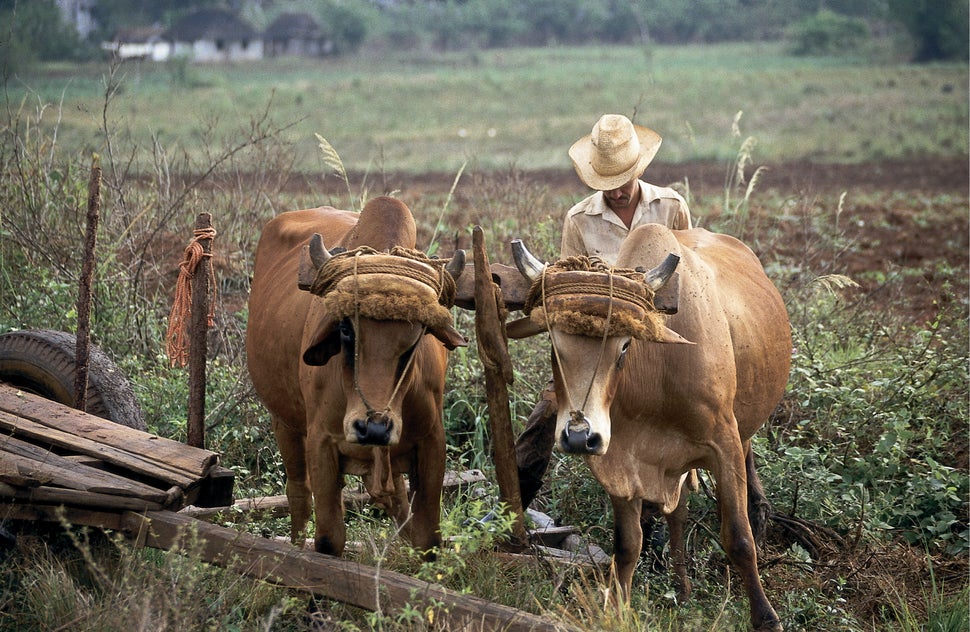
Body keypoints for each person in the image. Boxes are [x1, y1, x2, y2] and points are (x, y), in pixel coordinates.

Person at [516, 113, 693, 510]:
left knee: (703, 409)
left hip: (658, 345)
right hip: (600, 346)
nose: (615, 193)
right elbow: (565, 296)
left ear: (639, 170)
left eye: (622, 183)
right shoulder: (579, 219)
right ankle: (511, 510)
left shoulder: (671, 206)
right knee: (546, 415)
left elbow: (688, 278)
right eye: (606, 186)